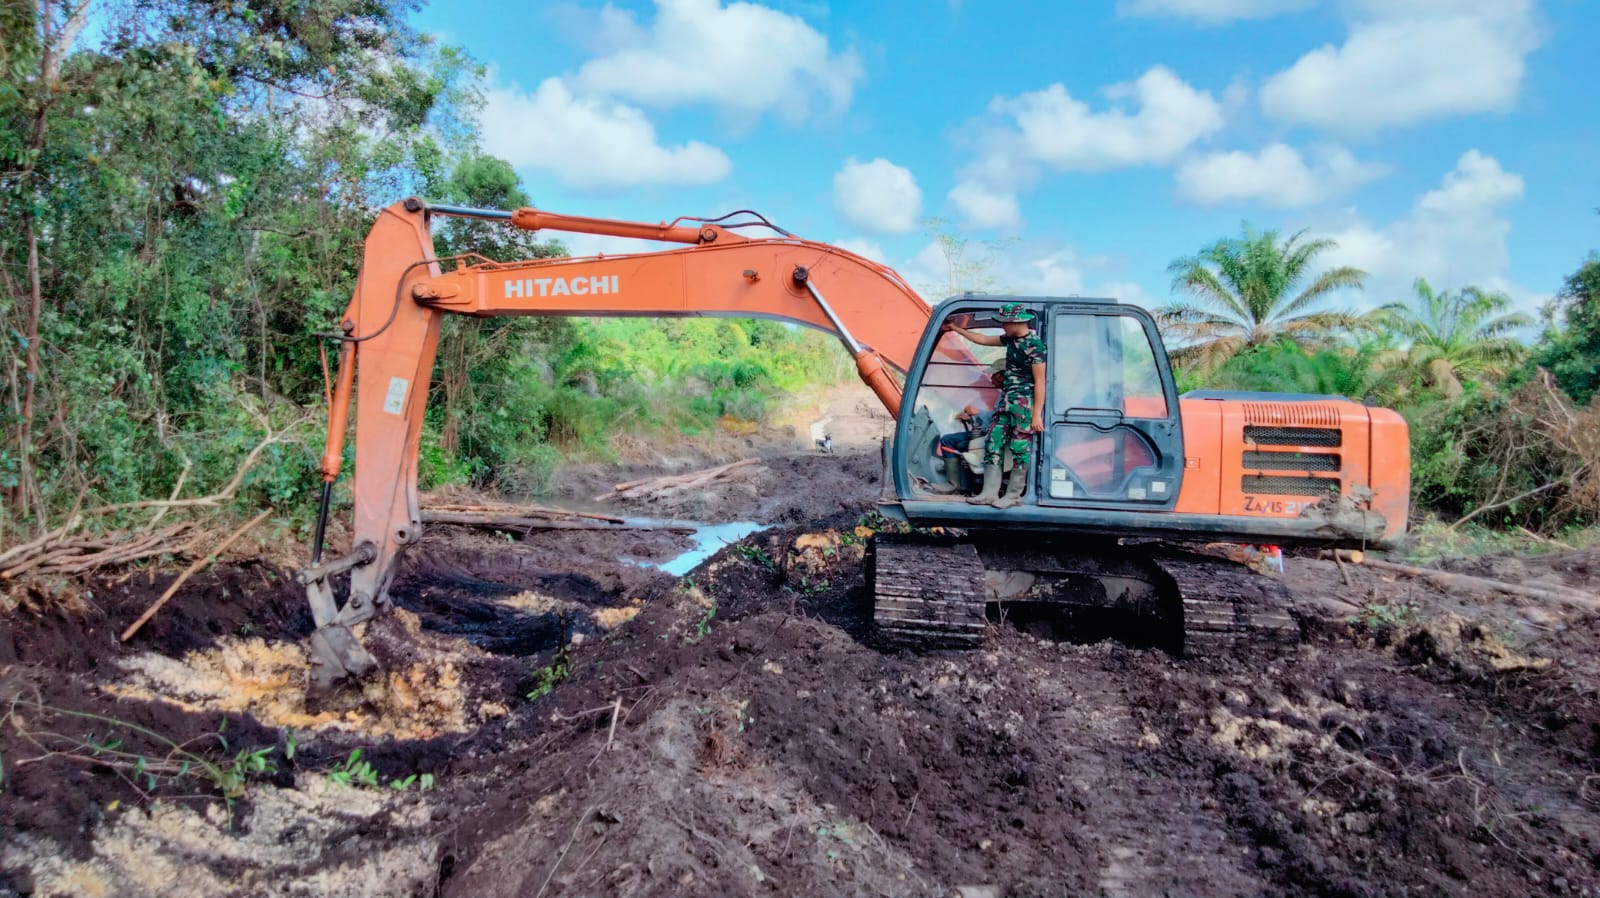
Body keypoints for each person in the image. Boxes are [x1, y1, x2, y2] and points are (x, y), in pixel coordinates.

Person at [943, 303, 1047, 508]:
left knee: (1020, 448)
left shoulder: (1035, 345)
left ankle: (1013, 495)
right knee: (993, 441)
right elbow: (983, 340)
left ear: (1017, 321)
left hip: (1023, 405)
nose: (1003, 327)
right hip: (1006, 404)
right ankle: (989, 493)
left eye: (1005, 323)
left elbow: (1040, 382)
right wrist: (955, 328)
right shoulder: (1010, 340)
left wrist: (1036, 415)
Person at [927, 360, 1004, 494]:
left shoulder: (1010, 396)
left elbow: (1000, 418)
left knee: (947, 441)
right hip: (992, 432)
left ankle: (953, 484)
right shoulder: (1005, 393)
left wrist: (977, 412)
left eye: (994, 375)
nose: (991, 379)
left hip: (995, 436)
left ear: (1003, 375)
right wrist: (970, 418)